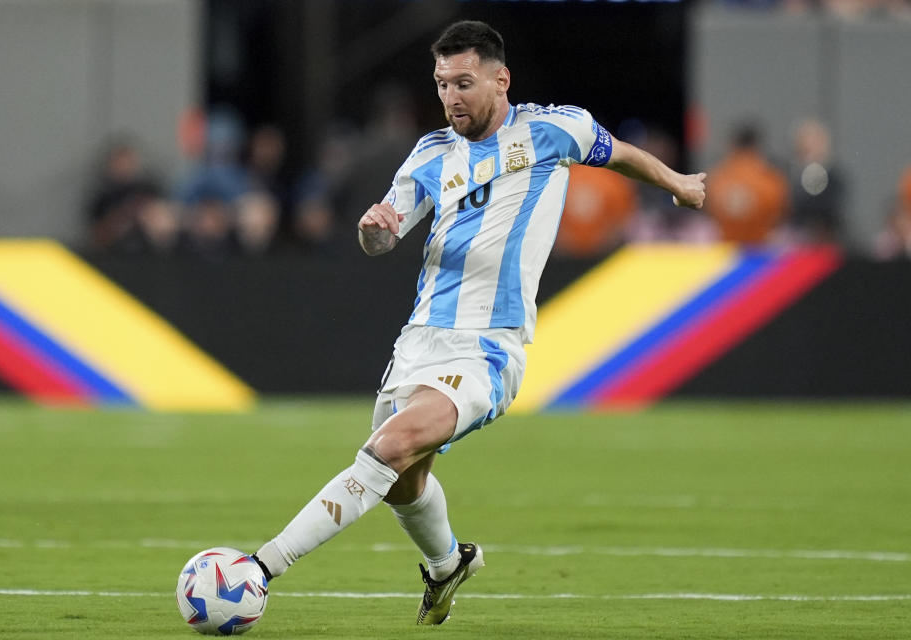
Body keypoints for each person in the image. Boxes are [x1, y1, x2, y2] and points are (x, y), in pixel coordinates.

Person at [251, 20, 706, 625]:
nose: (451, 97)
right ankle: (447, 565)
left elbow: (618, 153)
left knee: (386, 448)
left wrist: (677, 182)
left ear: (501, 79)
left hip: (488, 348)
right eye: (441, 85)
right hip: (420, 340)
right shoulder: (432, 154)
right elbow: (388, 233)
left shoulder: (554, 129)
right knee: (403, 485)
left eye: (463, 83)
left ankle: (257, 571)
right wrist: (372, 232)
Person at [704, 124, 788, 245]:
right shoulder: (770, 179)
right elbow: (782, 213)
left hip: (727, 252)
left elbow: (708, 208)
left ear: (733, 145)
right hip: (761, 251)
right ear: (756, 146)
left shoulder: (718, 177)